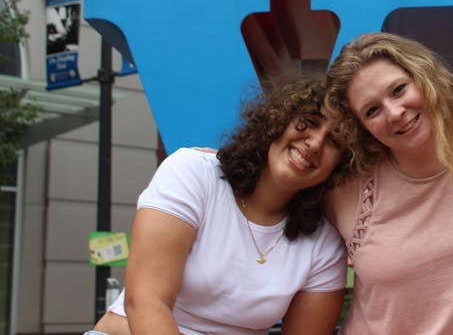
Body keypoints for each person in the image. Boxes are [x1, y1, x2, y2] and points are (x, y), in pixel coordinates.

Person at [89, 71, 353, 335]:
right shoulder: (193, 174)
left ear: (339, 166)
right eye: (309, 122)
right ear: (278, 120)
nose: (315, 144)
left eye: (334, 141)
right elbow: (146, 302)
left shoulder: (324, 243)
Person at [322, 32, 453, 334]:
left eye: (398, 90)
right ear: (361, 127)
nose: (395, 113)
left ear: (425, 76)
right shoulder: (345, 190)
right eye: (372, 110)